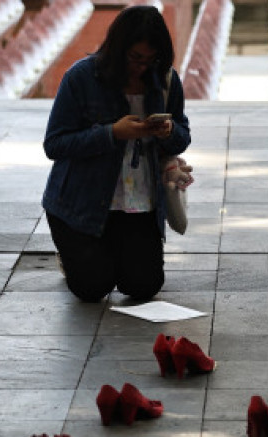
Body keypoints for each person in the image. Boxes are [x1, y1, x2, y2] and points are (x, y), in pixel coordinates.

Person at [42, 6, 190, 302]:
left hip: (138, 202)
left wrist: (169, 131)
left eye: (151, 60)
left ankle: (107, 253)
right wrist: (112, 133)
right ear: (118, 49)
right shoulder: (81, 78)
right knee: (92, 288)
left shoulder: (166, 80)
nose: (142, 68)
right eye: (136, 58)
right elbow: (55, 144)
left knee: (143, 286)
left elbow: (182, 136)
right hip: (83, 204)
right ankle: (74, 254)